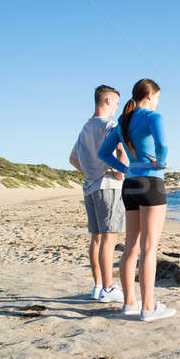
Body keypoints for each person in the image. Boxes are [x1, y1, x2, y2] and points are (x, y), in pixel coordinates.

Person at [98, 78, 177, 321]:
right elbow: (162, 143)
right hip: (151, 182)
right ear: (151, 96)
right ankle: (148, 307)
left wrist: (124, 166)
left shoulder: (123, 120)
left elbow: (103, 153)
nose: (158, 102)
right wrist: (161, 162)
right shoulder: (154, 117)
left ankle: (130, 303)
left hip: (130, 184)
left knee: (131, 247)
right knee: (149, 248)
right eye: (158, 97)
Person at [69, 85, 127, 304]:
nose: (117, 107)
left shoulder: (85, 129)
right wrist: (120, 172)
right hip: (108, 186)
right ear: (108, 101)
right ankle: (108, 288)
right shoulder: (110, 125)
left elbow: (73, 159)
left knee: (96, 238)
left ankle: (97, 286)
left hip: (90, 187)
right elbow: (120, 151)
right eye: (117, 103)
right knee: (109, 239)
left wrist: (90, 171)